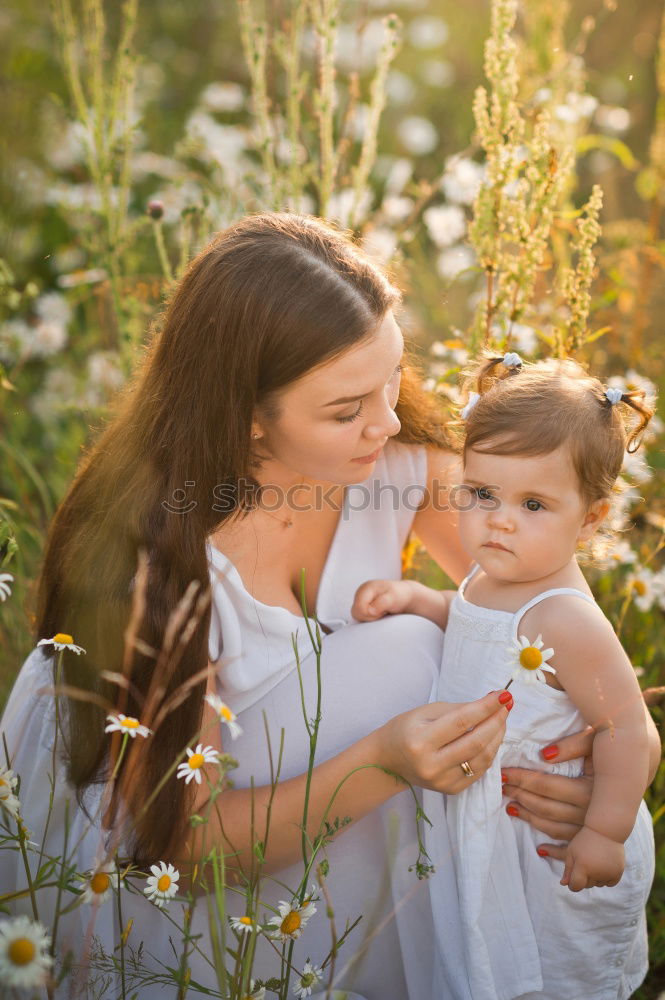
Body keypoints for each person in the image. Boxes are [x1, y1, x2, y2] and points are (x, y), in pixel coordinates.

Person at [0, 215, 659, 1000]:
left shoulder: (394, 463)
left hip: (335, 848)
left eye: (392, 379)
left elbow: (550, 609)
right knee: (406, 654)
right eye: (346, 408)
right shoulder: (166, 563)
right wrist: (383, 761)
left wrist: (583, 769)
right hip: (175, 899)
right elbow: (175, 849)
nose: (384, 420)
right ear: (249, 416)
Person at [352, 353, 658, 999]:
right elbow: (476, 630)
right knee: (483, 960)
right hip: (492, 829)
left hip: (550, 846)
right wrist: (420, 599)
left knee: (552, 973)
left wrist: (603, 830)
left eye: (534, 504)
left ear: (591, 519)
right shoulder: (491, 577)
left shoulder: (564, 618)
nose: (499, 518)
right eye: (482, 493)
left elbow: (628, 731)